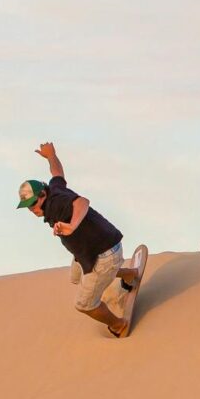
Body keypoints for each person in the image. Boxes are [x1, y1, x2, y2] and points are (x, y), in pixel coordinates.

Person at [17, 142, 141, 338]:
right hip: (94, 250)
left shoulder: (55, 203)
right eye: (28, 207)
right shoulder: (54, 189)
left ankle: (118, 325)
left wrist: (72, 225)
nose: (32, 210)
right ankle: (128, 275)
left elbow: (82, 202)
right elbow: (57, 173)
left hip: (104, 255)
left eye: (33, 204)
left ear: (42, 195)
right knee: (76, 277)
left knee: (84, 305)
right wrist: (51, 156)